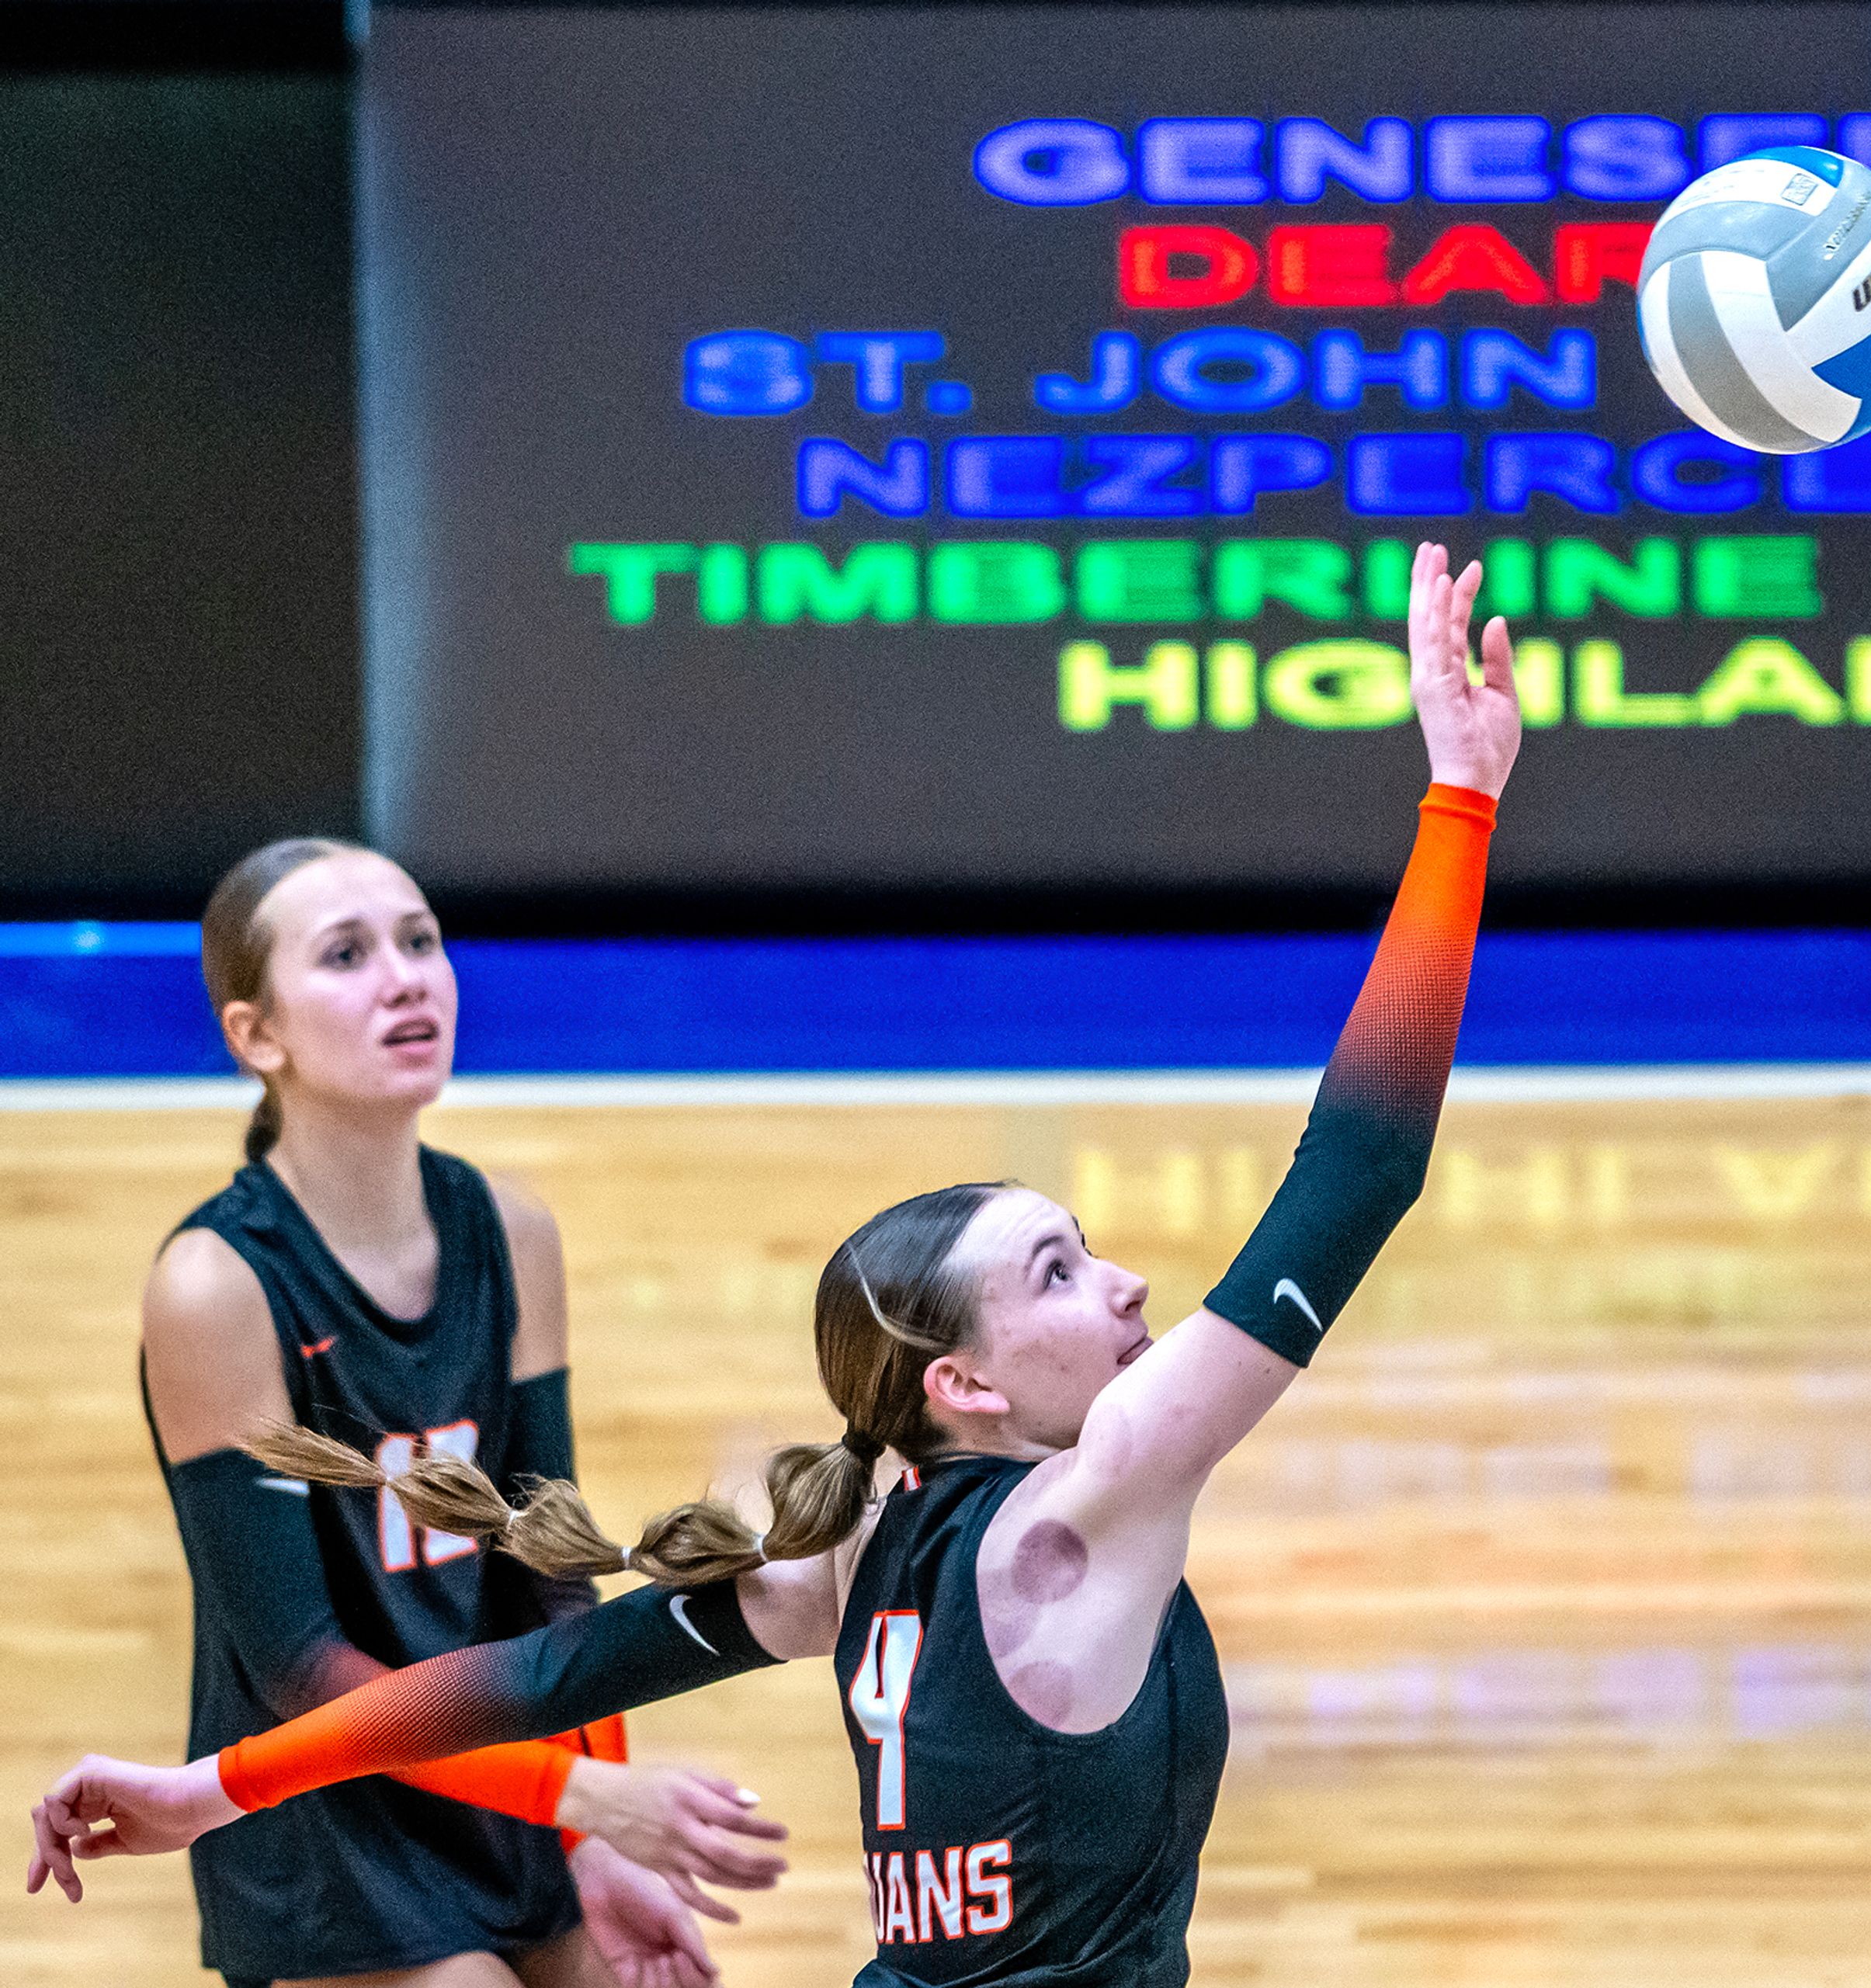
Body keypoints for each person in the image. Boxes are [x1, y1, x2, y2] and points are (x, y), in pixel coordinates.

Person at [24, 540, 1522, 1988]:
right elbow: (1360, 1167)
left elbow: (538, 1675)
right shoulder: (1092, 1498)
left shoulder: (843, 1553)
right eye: (1062, 1272)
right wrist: (1459, 804)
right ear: (966, 1384)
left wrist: (211, 1788)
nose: (1130, 1286)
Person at [137, 836, 787, 1988]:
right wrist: (580, 1791)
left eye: (420, 940)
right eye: (346, 954)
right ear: (256, 1035)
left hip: (499, 1779)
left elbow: (553, 1574)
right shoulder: (216, 1283)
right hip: (322, 1810)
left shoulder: (509, 1227)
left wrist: (591, 1840)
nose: (406, 977)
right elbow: (294, 1665)